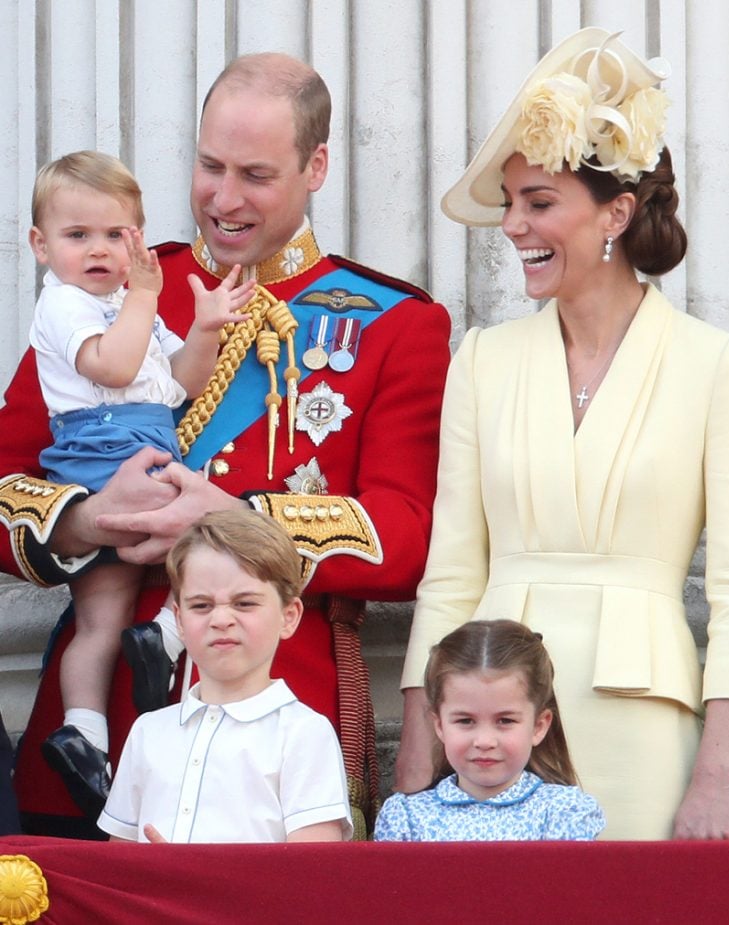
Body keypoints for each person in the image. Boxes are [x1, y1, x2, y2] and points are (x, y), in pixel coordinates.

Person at [0, 52, 451, 839]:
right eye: (209, 166)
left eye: (255, 174)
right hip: (95, 737)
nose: (224, 197)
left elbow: (409, 536)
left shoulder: (395, 324)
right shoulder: (115, 283)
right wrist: (85, 519)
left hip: (278, 749)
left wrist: (240, 521)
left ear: (316, 166)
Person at [395, 28, 729, 840]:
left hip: (644, 726)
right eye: (510, 204)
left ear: (617, 212)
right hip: (488, 723)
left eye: (539, 203)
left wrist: (716, 777)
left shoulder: (719, 364)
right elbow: (450, 571)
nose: (513, 227)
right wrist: (417, 757)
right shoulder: (483, 358)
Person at [25, 151, 254, 819]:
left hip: (139, 433)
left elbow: (177, 381)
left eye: (115, 235)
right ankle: (165, 636)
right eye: (77, 235)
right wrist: (149, 296)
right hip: (107, 450)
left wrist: (206, 327)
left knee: (99, 621)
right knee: (213, 530)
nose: (99, 251)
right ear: (41, 245)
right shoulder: (67, 305)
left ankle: (85, 737)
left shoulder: (124, 302)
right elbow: (118, 366)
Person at [98, 509, 352, 843]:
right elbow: (119, 864)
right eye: (201, 606)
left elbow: (313, 873)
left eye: (244, 603)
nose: (220, 619)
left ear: (288, 617)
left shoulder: (304, 733)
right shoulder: (148, 731)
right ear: (179, 620)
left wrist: (195, 880)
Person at [375, 620, 603, 841]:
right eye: (465, 721)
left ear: (538, 726)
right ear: (439, 725)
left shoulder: (564, 812)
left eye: (505, 721)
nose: (484, 741)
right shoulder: (406, 817)